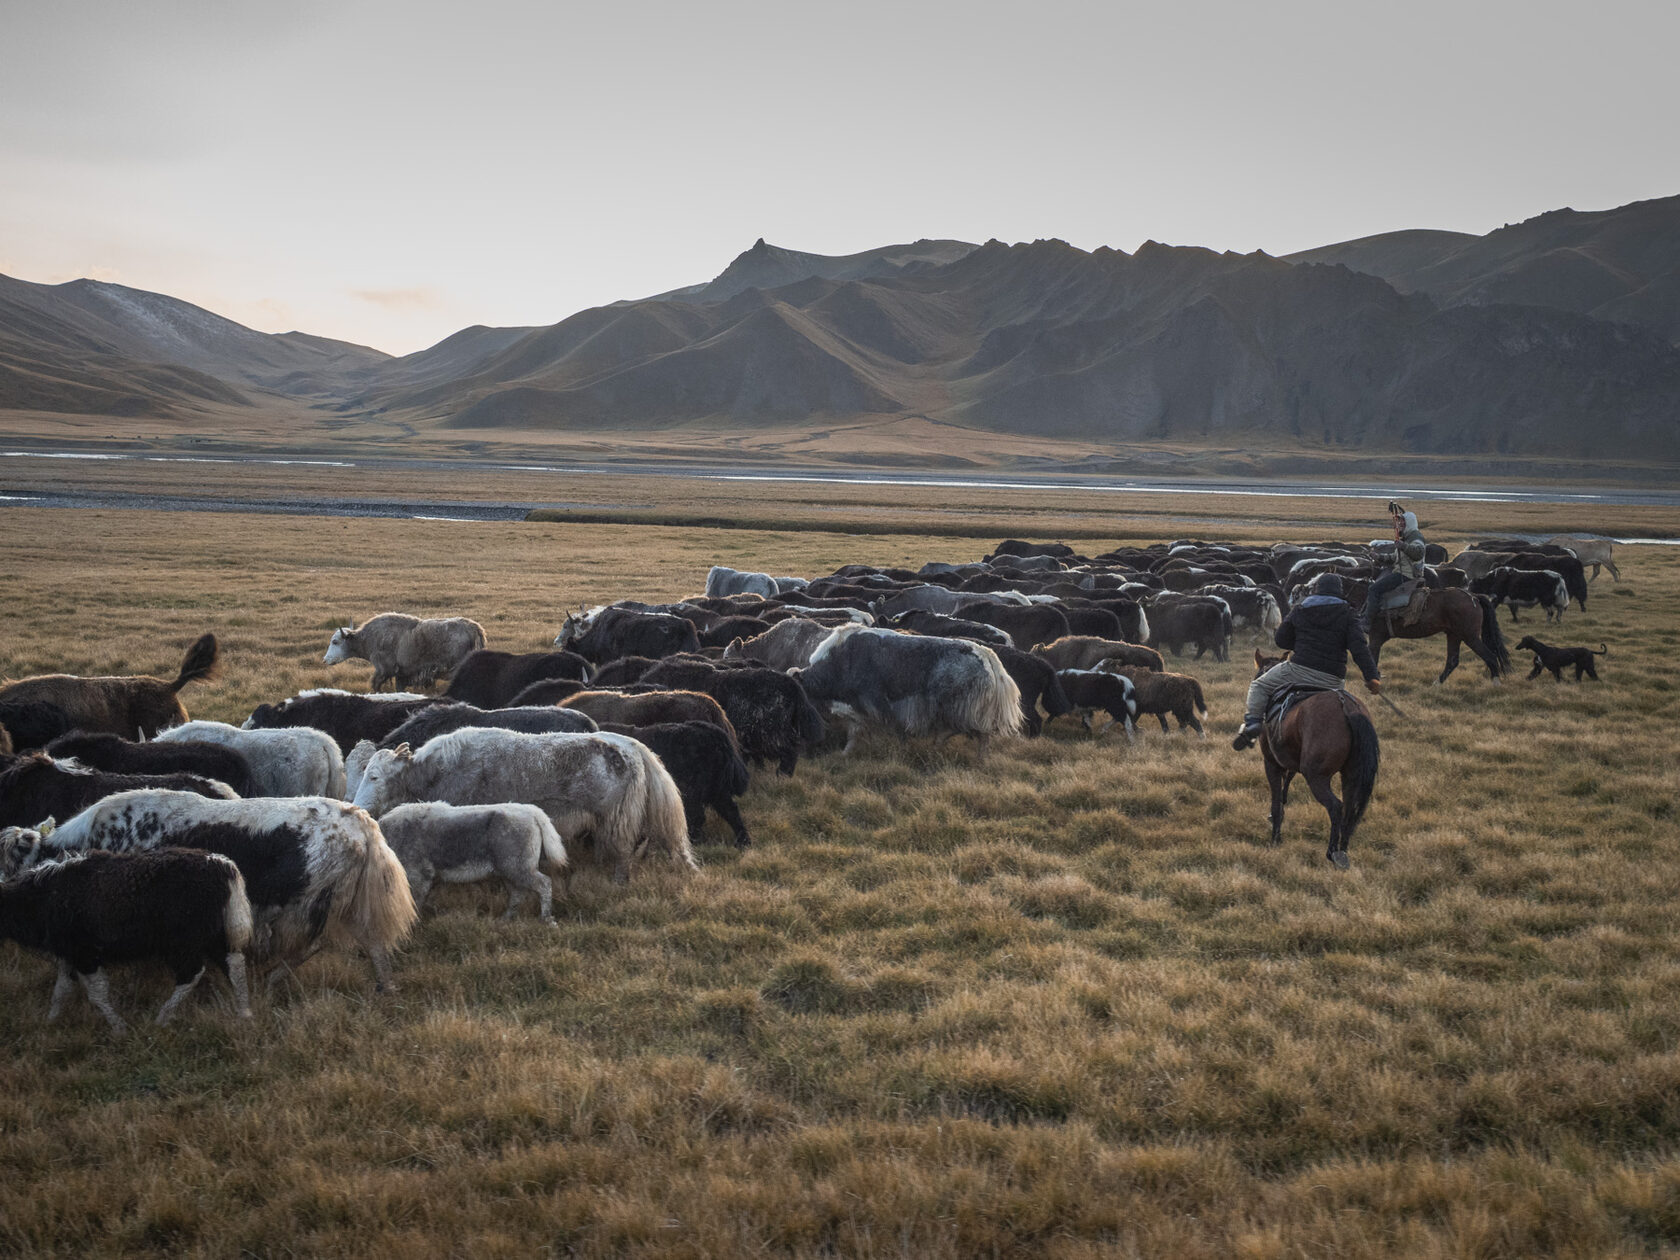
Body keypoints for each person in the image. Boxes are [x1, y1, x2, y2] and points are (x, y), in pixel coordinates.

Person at [1231, 571, 1381, 750]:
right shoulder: (1348, 614)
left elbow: (1281, 640)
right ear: (1339, 592)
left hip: (1299, 671)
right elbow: (1360, 649)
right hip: (1333, 679)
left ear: (1316, 590)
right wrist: (1372, 677)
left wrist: (1301, 644)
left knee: (1259, 686)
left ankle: (1253, 724)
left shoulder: (1301, 609)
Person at [1363, 501, 1427, 631]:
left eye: (1403, 522)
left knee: (1374, 589)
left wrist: (1403, 546)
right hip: (1400, 572)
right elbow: (1394, 558)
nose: (1400, 524)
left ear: (1410, 523)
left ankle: (1367, 623)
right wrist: (1379, 557)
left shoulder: (1416, 537)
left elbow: (1418, 553)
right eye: (1400, 522)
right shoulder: (1405, 537)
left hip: (1406, 575)